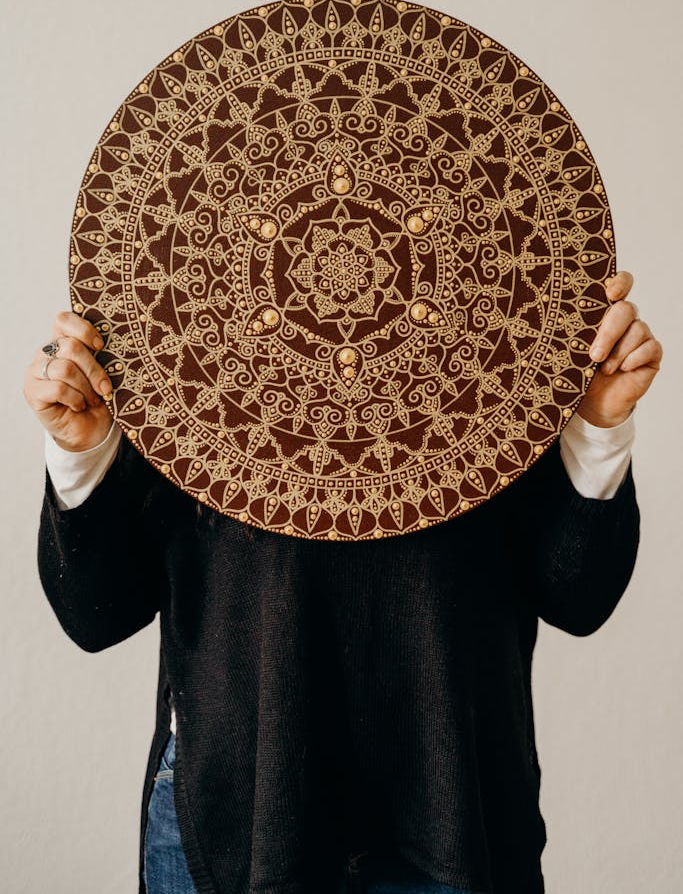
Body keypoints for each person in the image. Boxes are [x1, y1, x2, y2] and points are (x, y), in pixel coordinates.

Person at [24, 270, 662, 894]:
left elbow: (579, 598)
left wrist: (598, 426)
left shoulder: (514, 279)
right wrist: (82, 448)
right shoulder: (171, 273)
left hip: (461, 816)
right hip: (233, 816)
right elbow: (97, 615)